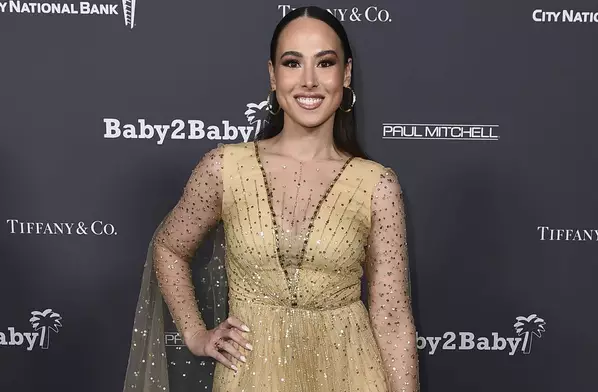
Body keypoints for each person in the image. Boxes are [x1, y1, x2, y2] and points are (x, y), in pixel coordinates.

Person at [123, 6, 418, 392]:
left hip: (353, 376)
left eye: (325, 63)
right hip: (251, 377)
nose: (309, 80)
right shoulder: (224, 168)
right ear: (273, 75)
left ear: (345, 75)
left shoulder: (377, 185)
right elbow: (169, 248)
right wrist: (196, 334)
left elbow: (393, 319)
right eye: (293, 63)